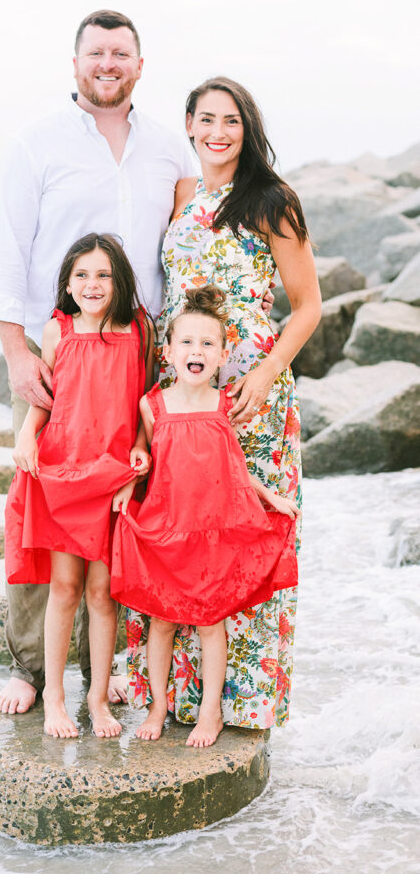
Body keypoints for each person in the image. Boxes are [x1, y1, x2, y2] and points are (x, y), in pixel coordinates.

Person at [0, 9, 196, 715]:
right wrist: (17, 354)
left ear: (139, 65)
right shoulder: (36, 142)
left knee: (124, 518)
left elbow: (184, 244)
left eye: (121, 53)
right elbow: (5, 250)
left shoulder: (168, 147)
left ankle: (115, 677)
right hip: (56, 352)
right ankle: (32, 671)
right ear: (75, 63)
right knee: (39, 511)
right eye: (96, 52)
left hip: (139, 353)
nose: (108, 63)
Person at [126, 76, 321, 731]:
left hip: (247, 399)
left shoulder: (271, 200)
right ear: (187, 125)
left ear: (247, 128)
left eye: (230, 121)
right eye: (205, 119)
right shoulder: (181, 195)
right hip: (180, 393)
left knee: (241, 539)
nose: (217, 132)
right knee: (178, 534)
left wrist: (267, 372)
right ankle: (172, 696)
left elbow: (307, 305)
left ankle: (242, 698)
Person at [111, 285, 300, 747]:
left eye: (208, 344)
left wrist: (269, 497)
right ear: (169, 352)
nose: (197, 351)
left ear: (222, 355)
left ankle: (211, 710)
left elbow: (234, 469)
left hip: (212, 535)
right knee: (162, 622)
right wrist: (130, 475)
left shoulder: (222, 408)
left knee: (211, 623)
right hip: (167, 532)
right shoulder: (152, 405)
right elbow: (143, 451)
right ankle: (158, 705)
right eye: (188, 343)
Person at [5, 233, 154, 737]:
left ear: (120, 281)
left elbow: (144, 398)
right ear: (67, 283)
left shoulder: (139, 330)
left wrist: (140, 446)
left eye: (104, 275)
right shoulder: (56, 329)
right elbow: (45, 398)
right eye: (83, 275)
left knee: (102, 593)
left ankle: (98, 699)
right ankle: (54, 698)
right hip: (63, 470)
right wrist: (27, 434)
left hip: (111, 472)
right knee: (64, 587)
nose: (93, 284)